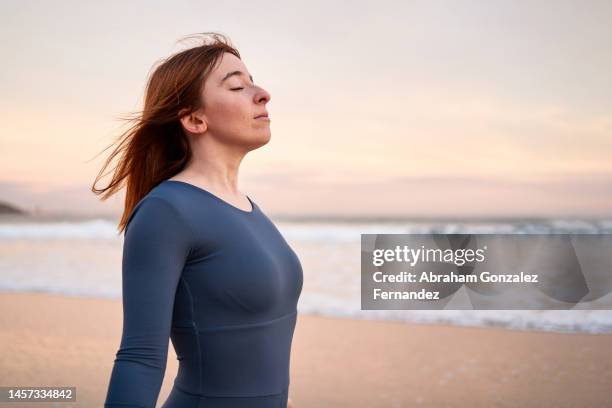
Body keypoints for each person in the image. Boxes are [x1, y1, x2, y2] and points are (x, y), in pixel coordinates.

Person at [92, 32, 303, 408]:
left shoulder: (249, 207)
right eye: (237, 86)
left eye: (252, 81)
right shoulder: (167, 211)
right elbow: (140, 357)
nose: (262, 93)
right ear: (194, 119)